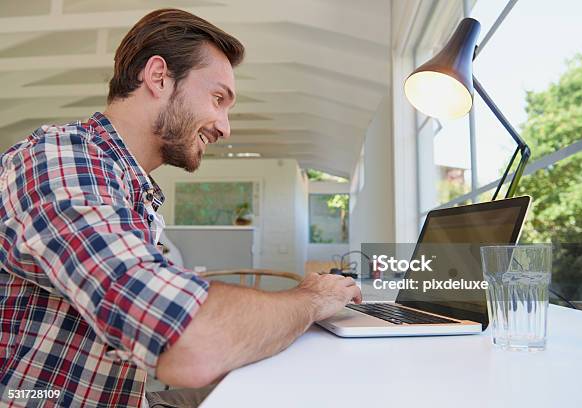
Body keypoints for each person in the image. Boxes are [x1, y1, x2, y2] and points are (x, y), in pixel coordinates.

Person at [0, 8, 361, 408]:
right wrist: (310, 299)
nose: (225, 127)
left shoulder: (129, 187)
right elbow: (189, 341)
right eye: (218, 98)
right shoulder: (59, 159)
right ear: (158, 76)